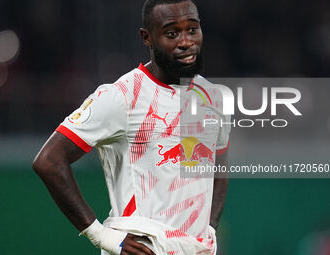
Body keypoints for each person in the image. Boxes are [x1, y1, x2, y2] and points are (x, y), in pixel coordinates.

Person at [33, 0, 230, 254]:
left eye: (192, 30)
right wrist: (101, 236)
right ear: (146, 37)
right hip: (144, 245)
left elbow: (219, 163)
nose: (185, 41)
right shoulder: (123, 96)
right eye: (172, 33)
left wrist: (209, 227)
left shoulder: (212, 97)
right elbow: (48, 161)